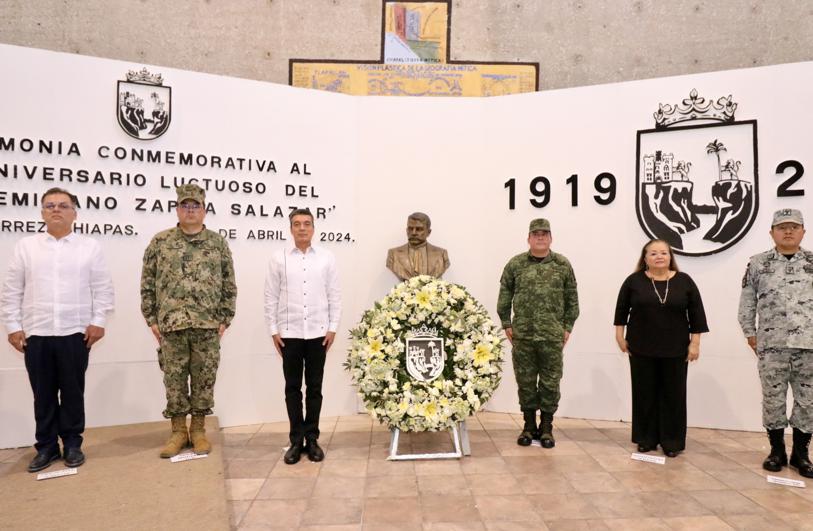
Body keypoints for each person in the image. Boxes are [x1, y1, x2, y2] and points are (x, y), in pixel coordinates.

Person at [1, 187, 114, 472]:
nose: (56, 210)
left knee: (73, 393)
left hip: (76, 332)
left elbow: (102, 288)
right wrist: (13, 326)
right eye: (50, 205)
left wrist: (99, 321)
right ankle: (47, 447)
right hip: (36, 333)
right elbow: (11, 290)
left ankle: (73, 444)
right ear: (42, 213)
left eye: (63, 205)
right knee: (43, 395)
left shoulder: (89, 247)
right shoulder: (26, 247)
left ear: (75, 213)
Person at [140, 184, 236, 458]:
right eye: (185, 206)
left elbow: (229, 283)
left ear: (204, 210)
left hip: (207, 326)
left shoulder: (217, 243)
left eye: (195, 206)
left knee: (204, 380)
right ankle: (178, 432)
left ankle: (199, 431)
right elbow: (147, 283)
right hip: (172, 326)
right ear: (177, 209)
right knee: (175, 381)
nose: (190, 210)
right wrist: (152, 319)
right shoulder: (160, 242)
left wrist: (224, 318)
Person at [614, 239, 708, 458]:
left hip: (676, 349)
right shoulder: (633, 281)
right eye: (653, 253)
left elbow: (696, 314)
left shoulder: (684, 281)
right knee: (644, 393)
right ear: (645, 258)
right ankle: (645, 439)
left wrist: (695, 343)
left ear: (670, 257)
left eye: (664, 253)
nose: (659, 256)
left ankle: (671, 441)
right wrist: (619, 336)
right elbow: (621, 310)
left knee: (673, 395)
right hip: (641, 347)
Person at [738, 208, 813, 478]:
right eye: (782, 227)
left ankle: (801, 454)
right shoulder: (758, 263)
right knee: (773, 399)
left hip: (809, 345)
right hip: (772, 346)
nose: (788, 231)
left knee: (808, 401)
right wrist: (750, 332)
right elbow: (748, 301)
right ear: (772, 233)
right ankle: (777, 451)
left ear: (803, 232)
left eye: (794, 227)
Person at [264, 208, 341, 464]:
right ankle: (296, 441)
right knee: (293, 389)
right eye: (297, 224)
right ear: (290, 229)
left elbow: (334, 295)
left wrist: (333, 327)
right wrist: (273, 330)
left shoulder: (327, 258)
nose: (302, 228)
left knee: (315, 389)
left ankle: (313, 439)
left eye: (307, 223)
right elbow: (270, 296)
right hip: (290, 333)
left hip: (319, 333)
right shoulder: (278, 258)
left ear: (313, 228)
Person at [497, 218, 579, 448]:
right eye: (536, 234)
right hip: (523, 335)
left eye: (544, 234)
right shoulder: (516, 264)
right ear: (529, 238)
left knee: (550, 383)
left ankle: (546, 428)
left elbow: (572, 299)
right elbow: (504, 295)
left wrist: (567, 327)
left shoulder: (562, 264)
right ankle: (528, 426)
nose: (540, 237)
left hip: (552, 336)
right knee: (525, 382)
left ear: (551, 238)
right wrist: (506, 323)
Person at [386, 212, 450, 281]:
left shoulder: (441, 254)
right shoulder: (393, 254)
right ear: (406, 230)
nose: (413, 233)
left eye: (419, 229)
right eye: (410, 228)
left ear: (429, 232)